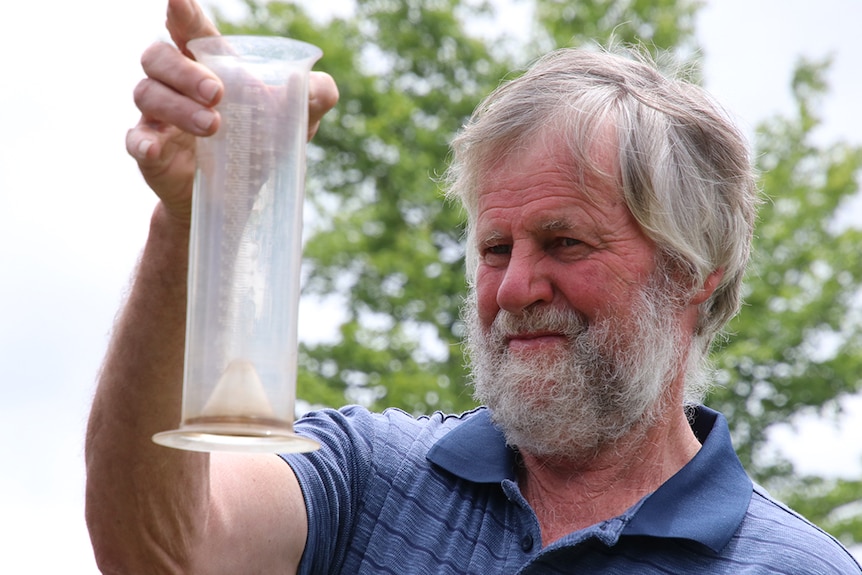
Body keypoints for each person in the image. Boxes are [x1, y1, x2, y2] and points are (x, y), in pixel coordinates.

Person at [85, 0, 862, 573]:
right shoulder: (369, 476)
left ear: (693, 271)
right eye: (495, 247)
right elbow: (158, 549)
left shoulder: (794, 566)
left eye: (564, 241)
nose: (516, 285)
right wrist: (190, 222)